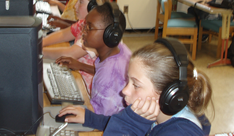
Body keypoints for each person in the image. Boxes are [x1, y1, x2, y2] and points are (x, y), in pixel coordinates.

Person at [58, 37, 213, 136]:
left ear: (169, 94)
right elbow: (122, 122)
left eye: (136, 85)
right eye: (128, 81)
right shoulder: (157, 114)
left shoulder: (180, 133)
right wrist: (90, 118)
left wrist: (130, 123)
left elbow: (126, 125)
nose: (124, 90)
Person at [56, 2, 132, 116]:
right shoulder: (120, 50)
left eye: (89, 28)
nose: (83, 32)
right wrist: (80, 65)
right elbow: (111, 74)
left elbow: (100, 121)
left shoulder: (106, 76)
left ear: (110, 34)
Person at [43, 0, 109, 93]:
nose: (75, 6)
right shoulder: (84, 23)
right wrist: (40, 42)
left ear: (93, 7)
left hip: (89, 87)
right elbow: (64, 34)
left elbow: (70, 53)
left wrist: (38, 51)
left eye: (81, 2)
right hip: (77, 75)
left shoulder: (97, 31)